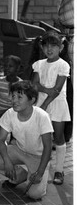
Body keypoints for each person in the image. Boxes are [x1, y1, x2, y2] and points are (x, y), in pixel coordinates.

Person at [0, 81, 53, 200]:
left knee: (34, 195)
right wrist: (7, 161)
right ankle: (20, 176)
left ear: (32, 100)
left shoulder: (42, 116)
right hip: (19, 151)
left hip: (38, 157)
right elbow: (0, 140)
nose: (14, 100)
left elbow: (48, 148)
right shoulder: (10, 113)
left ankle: (36, 174)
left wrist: (40, 172)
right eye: (13, 96)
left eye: (19, 97)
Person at [31, 31, 71, 185]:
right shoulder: (39, 64)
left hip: (56, 105)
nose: (50, 49)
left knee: (58, 137)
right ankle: (42, 167)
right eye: (46, 45)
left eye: (54, 45)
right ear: (42, 47)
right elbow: (35, 84)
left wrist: (45, 103)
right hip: (41, 103)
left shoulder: (63, 65)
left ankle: (59, 170)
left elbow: (58, 89)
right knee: (42, 137)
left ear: (60, 48)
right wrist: (47, 90)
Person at [0, 55, 22, 121]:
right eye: (5, 66)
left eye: (10, 66)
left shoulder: (21, 84)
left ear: (17, 68)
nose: (7, 68)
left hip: (15, 114)